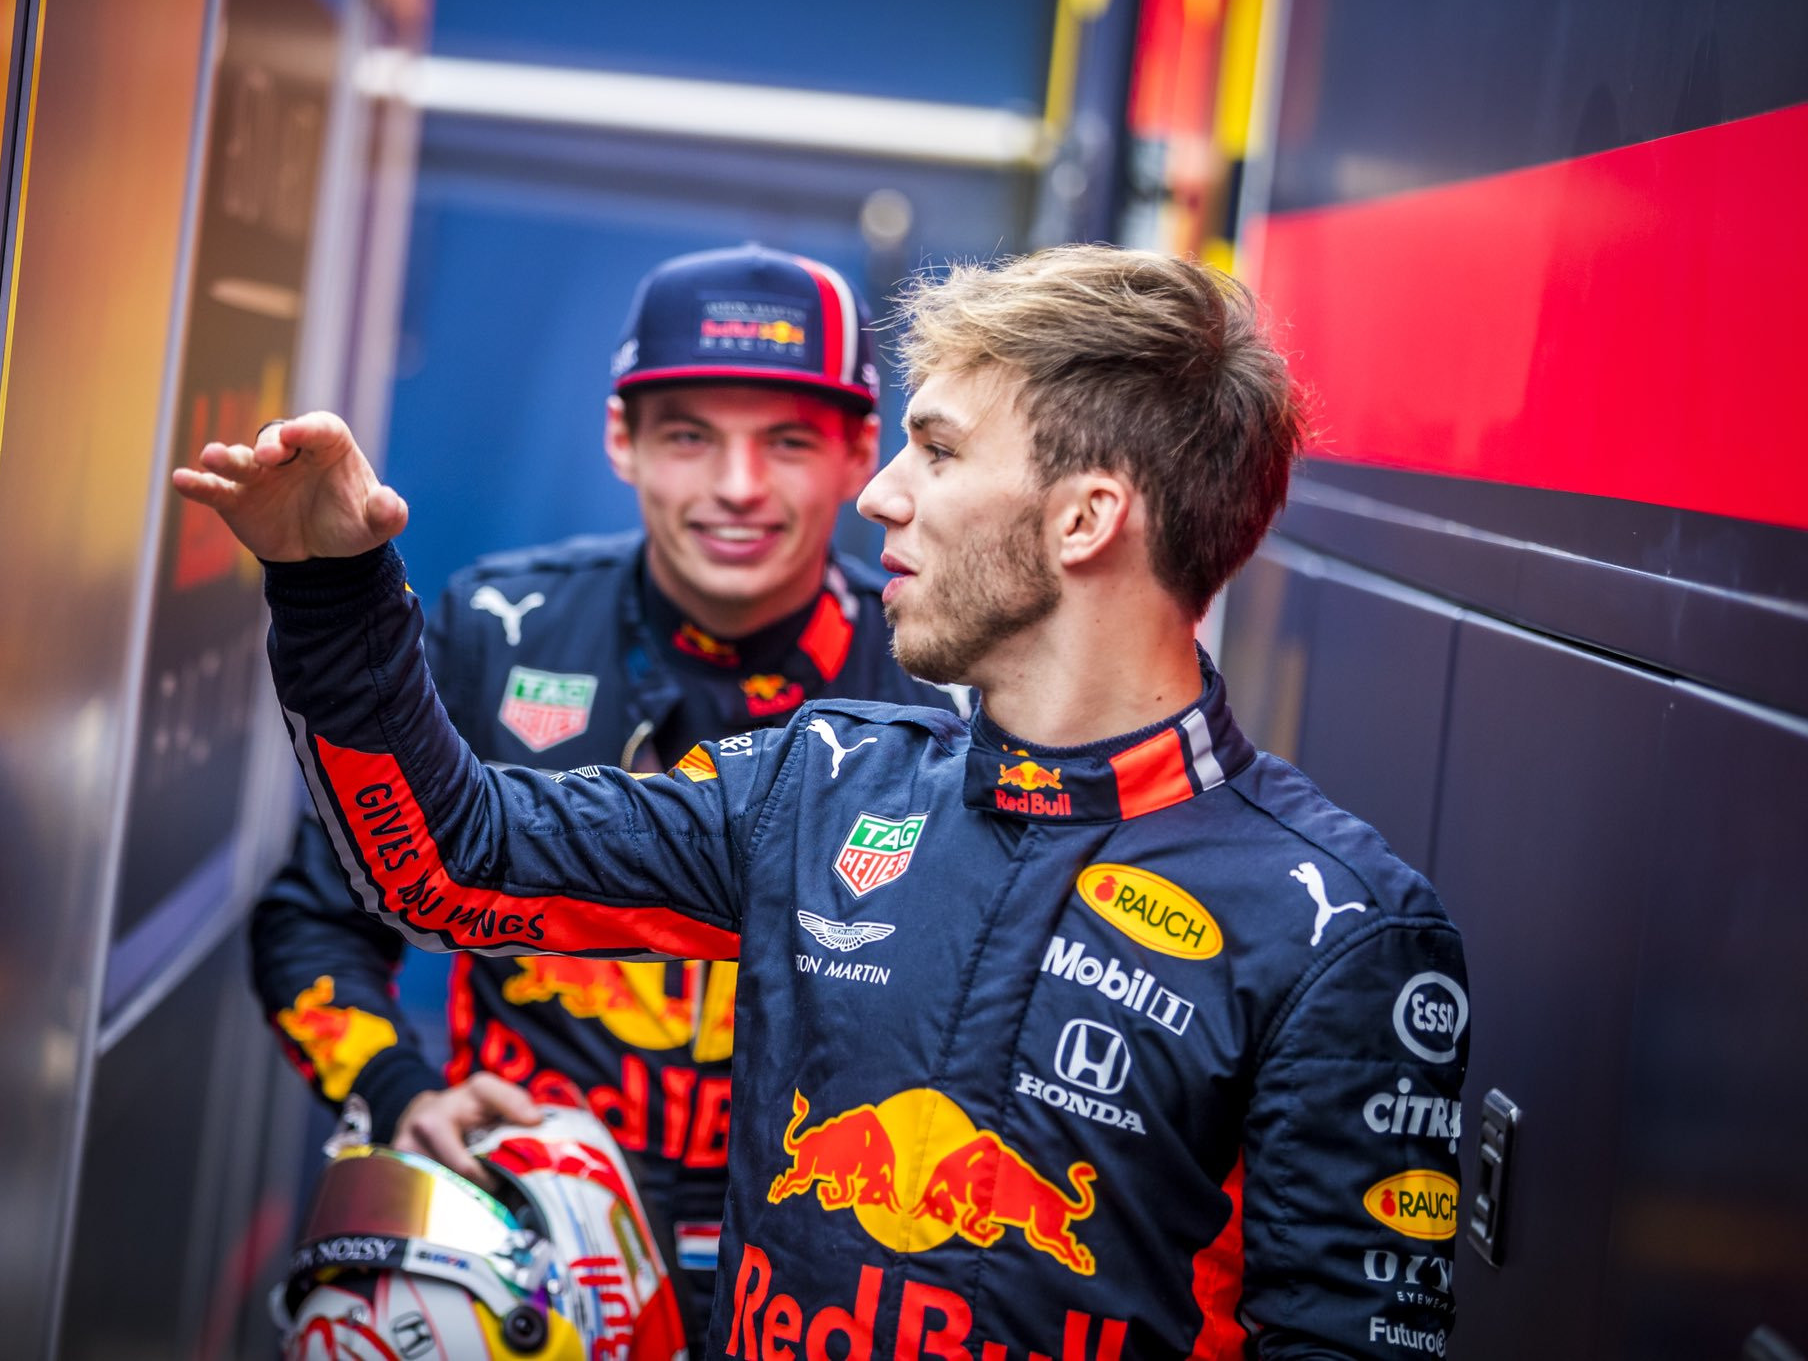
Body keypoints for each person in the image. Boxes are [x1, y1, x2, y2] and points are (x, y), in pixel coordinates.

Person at [181, 244, 1470, 1359]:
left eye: (935, 449)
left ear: (1084, 519)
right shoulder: (820, 780)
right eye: (690, 433)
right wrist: (332, 589)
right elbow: (444, 864)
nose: (877, 496)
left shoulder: (1338, 931)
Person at [247, 243, 962, 1345]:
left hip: (813, 1272)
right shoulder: (502, 629)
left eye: (788, 440)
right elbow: (315, 913)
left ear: (860, 454)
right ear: (621, 440)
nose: (737, 486)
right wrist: (398, 1091)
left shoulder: (940, 680)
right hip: (533, 1249)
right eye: (689, 436)